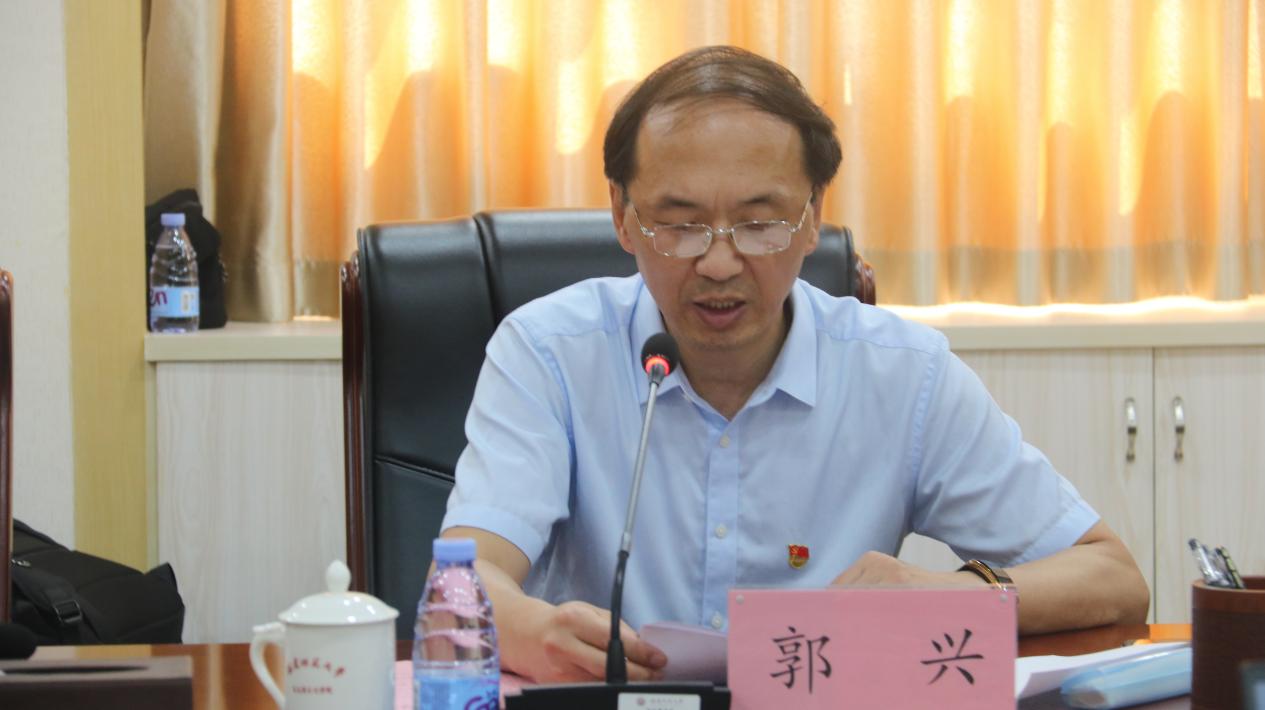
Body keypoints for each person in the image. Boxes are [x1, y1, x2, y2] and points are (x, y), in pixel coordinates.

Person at [439, 45, 1149, 684]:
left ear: (812, 218)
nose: (719, 263)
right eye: (680, 224)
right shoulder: (548, 354)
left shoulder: (902, 375)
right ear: (623, 217)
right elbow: (460, 586)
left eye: (759, 223)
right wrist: (529, 629)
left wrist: (946, 593)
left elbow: (1111, 579)